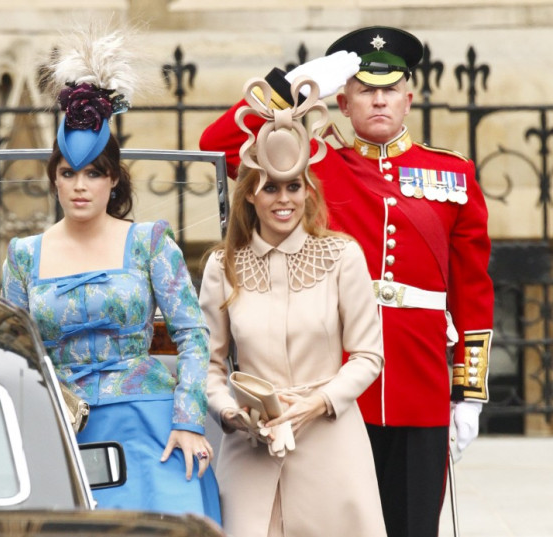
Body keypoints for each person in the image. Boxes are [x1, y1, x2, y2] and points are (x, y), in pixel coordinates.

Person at [200, 25, 494, 537]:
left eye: (389, 89)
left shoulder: (453, 176)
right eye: (364, 89)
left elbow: (472, 290)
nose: (378, 100)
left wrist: (468, 394)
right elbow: (217, 145)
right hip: (331, 384)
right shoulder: (315, 162)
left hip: (419, 383)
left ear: (408, 96)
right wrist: (291, 83)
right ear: (344, 98)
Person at [2, 28, 220, 523]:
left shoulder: (148, 243)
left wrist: (188, 422)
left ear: (114, 178)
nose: (80, 186)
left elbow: (192, 336)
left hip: (149, 424)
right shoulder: (23, 256)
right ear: (53, 177)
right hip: (61, 425)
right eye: (69, 173)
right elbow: (12, 355)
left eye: (94, 173)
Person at [199, 74, 386, 536]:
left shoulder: (342, 256)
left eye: (294, 187)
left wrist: (319, 402)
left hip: (332, 443)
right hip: (250, 452)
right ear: (249, 194)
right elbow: (208, 365)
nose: (284, 200)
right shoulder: (223, 267)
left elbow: (368, 355)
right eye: (270, 188)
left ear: (309, 190)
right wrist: (229, 413)